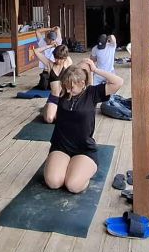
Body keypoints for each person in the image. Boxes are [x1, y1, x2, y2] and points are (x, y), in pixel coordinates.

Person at [45, 59, 124, 193]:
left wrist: (95, 70)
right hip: (61, 146)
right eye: (66, 86)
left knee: (73, 186)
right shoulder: (63, 92)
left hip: (84, 149)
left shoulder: (92, 93)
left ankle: (80, 170)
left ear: (82, 83)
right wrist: (54, 97)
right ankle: (69, 167)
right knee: (54, 182)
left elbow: (118, 82)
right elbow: (49, 117)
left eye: (71, 87)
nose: (68, 90)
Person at [33, 43, 73, 123]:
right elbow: (36, 51)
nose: (57, 61)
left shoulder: (67, 63)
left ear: (64, 58)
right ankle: (46, 107)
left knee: (61, 119)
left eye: (60, 59)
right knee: (49, 119)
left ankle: (53, 109)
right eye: (56, 58)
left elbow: (66, 53)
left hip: (64, 98)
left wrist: (60, 46)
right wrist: (50, 46)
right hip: (54, 98)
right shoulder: (50, 64)